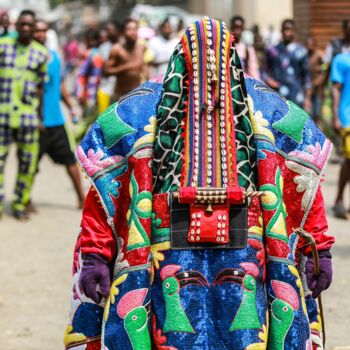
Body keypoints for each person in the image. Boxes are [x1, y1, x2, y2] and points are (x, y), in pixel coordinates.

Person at [65, 18, 334, 349]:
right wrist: (94, 254)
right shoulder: (265, 106)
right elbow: (305, 180)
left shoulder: (141, 108)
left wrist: (320, 247)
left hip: (190, 256)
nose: (208, 70)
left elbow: (302, 180)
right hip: (210, 257)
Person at [33, 19, 85, 209]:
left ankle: (81, 197)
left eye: (43, 31)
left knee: (70, 161)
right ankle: (24, 201)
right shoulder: (29, 57)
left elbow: (60, 84)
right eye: (37, 30)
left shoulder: (55, 56)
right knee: (29, 166)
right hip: (34, 122)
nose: (40, 34)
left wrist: (70, 106)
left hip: (55, 120)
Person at [0, 9, 47, 220]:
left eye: (30, 25)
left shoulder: (41, 53)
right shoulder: (3, 46)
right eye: (23, 25)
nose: (26, 28)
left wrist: (40, 118)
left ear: (33, 26)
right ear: (17, 26)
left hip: (28, 117)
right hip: (3, 115)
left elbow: (40, 88)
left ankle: (20, 204)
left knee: (27, 163)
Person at [265, 19, 312, 112]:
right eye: (285, 30)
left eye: (289, 30)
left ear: (294, 31)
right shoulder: (273, 51)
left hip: (297, 96)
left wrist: (307, 98)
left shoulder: (301, 51)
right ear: (281, 31)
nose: (287, 33)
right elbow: (265, 71)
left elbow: (307, 77)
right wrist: (269, 80)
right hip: (277, 95)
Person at [104, 18, 147, 99]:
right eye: (129, 29)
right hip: (120, 96)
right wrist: (127, 67)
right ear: (123, 32)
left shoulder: (141, 48)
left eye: (135, 29)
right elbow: (106, 72)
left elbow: (145, 68)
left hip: (137, 94)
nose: (133, 32)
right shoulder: (116, 49)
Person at [330, 51, 350, 218]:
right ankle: (339, 199)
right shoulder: (341, 59)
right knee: (349, 158)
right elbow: (335, 89)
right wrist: (335, 115)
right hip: (347, 115)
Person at [75, 29, 103, 141]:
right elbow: (81, 75)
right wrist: (80, 92)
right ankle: (76, 139)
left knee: (90, 118)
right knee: (88, 118)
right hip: (90, 92)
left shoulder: (94, 53)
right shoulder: (92, 54)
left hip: (93, 90)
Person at [98, 21, 120, 114]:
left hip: (119, 89)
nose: (107, 33)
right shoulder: (103, 47)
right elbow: (103, 69)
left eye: (109, 30)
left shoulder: (123, 46)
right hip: (105, 88)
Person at [307, 36, 325, 123]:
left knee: (317, 112)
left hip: (317, 88)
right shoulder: (305, 56)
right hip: (308, 88)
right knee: (308, 113)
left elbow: (323, 72)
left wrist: (317, 82)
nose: (309, 46)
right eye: (308, 45)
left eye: (311, 45)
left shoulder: (319, 56)